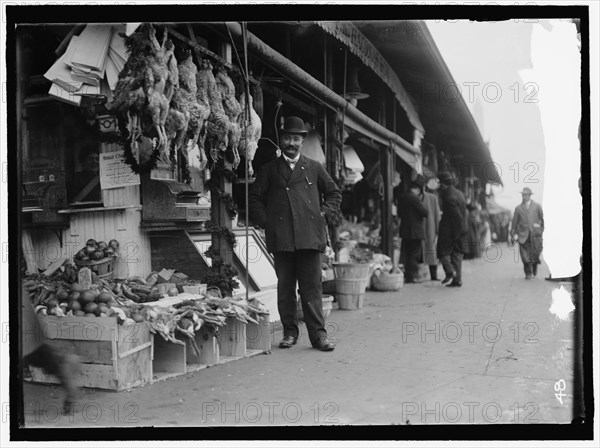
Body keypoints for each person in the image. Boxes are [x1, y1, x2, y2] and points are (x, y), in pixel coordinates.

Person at [249, 116, 342, 352]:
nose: (292, 143)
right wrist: (267, 223)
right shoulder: (269, 169)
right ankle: (289, 332)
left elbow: (334, 194)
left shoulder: (314, 167)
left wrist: (322, 214)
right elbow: (254, 199)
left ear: (302, 141)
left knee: (312, 289)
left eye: (296, 139)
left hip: (309, 237)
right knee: (286, 288)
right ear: (282, 140)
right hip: (282, 238)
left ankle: (318, 336)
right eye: (288, 138)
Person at [436, 171, 468, 287]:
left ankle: (450, 272)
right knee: (457, 255)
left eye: (440, 183)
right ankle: (457, 280)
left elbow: (457, 217)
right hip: (462, 229)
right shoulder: (459, 193)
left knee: (442, 251)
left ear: (443, 184)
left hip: (451, 231)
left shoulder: (448, 198)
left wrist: (455, 234)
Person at [397, 178, 429, 283]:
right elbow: (425, 212)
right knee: (413, 254)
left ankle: (409, 276)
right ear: (417, 189)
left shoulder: (402, 198)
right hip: (415, 231)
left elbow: (399, 214)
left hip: (405, 230)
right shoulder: (414, 198)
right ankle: (411, 277)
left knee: (408, 254)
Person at [510, 187, 544, 279]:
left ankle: (534, 266)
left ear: (530, 195)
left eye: (525, 195)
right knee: (525, 256)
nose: (524, 196)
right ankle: (528, 273)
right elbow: (514, 223)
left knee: (535, 254)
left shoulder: (537, 206)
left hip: (536, 235)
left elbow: (543, 220)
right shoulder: (518, 208)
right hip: (523, 235)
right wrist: (512, 236)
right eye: (522, 195)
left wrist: (541, 229)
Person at [421, 183, 442, 281]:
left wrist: (437, 229)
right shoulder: (432, 198)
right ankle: (432, 275)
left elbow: (437, 215)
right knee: (431, 251)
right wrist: (438, 230)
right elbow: (437, 216)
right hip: (428, 229)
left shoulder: (431, 198)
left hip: (428, 229)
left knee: (428, 251)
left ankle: (430, 275)